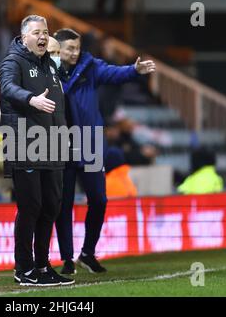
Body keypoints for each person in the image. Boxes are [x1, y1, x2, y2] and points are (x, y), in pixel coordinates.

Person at [54, 28, 156, 274]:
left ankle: (87, 253)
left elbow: (113, 73)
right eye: (70, 48)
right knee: (63, 204)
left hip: (88, 143)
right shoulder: (46, 71)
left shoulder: (90, 67)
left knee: (99, 199)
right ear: (57, 49)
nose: (75, 52)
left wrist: (134, 70)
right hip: (60, 143)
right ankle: (67, 257)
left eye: (77, 47)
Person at [0, 15, 74, 287]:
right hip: (24, 143)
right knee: (31, 207)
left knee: (51, 207)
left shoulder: (49, 67)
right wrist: (31, 99)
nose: (43, 36)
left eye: (46, 32)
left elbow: (59, 109)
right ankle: (24, 268)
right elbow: (7, 88)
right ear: (24, 36)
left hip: (52, 145)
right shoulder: (12, 62)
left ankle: (42, 266)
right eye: (37, 32)